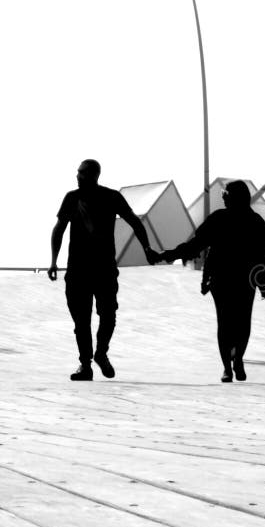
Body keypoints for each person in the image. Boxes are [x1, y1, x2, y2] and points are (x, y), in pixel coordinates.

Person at [48, 159, 158, 381]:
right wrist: (53, 261)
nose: (77, 177)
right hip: (78, 270)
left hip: (104, 268)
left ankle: (101, 353)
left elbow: (134, 221)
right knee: (81, 319)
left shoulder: (111, 197)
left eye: (82, 174)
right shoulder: (72, 198)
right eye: (77, 173)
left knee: (108, 315)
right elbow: (58, 229)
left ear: (94, 175)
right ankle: (85, 364)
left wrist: (146, 248)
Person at [159, 181, 265, 383]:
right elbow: (263, 257)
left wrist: (170, 254)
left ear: (233, 196)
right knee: (242, 322)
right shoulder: (256, 222)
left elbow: (195, 246)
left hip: (223, 279)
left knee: (225, 323)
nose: (222, 196)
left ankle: (229, 367)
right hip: (246, 280)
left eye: (225, 193)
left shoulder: (219, 219)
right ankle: (235, 361)